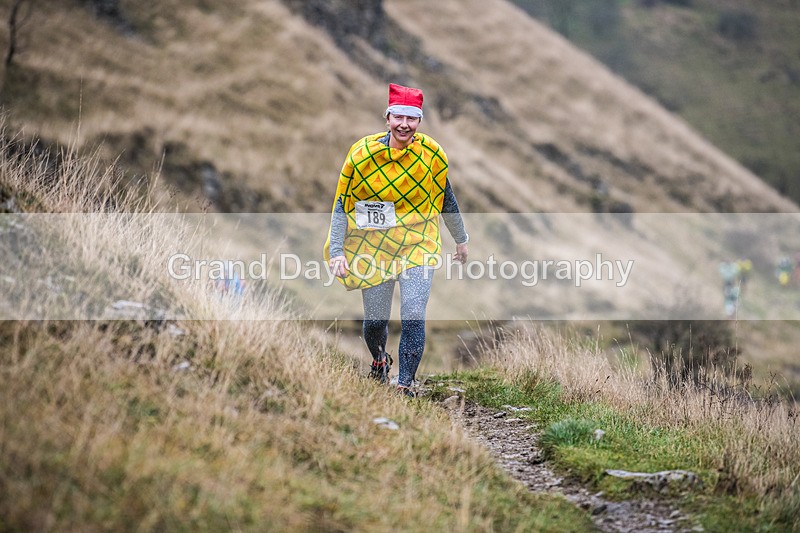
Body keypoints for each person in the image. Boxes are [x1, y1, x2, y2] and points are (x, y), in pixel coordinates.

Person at [323, 83, 469, 397]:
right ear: (387, 117)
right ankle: (379, 359)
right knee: (375, 322)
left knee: (414, 311)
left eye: (412, 119)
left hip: (419, 242)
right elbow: (342, 204)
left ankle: (404, 385)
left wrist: (461, 239)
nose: (404, 124)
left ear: (419, 122)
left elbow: (446, 199)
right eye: (398, 117)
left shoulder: (431, 154)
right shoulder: (362, 155)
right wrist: (337, 250)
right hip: (375, 246)